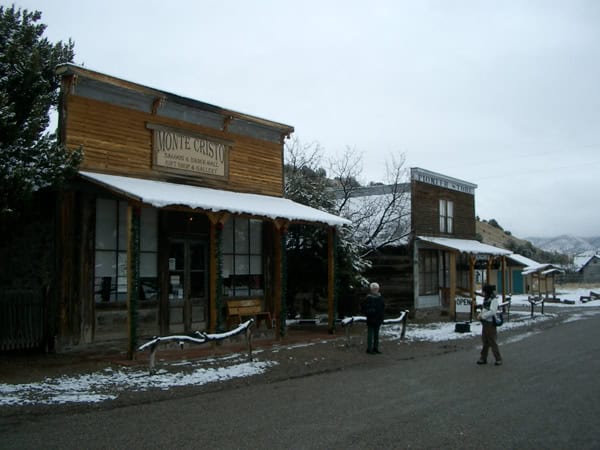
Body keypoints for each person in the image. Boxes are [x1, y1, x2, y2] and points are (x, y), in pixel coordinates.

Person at [477, 284, 503, 366]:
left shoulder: (493, 300)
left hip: (491, 323)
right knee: (485, 341)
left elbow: (492, 311)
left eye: (484, 291)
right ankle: (483, 358)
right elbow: (484, 309)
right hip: (485, 322)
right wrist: (480, 314)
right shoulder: (487, 299)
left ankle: (498, 358)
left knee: (492, 341)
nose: (483, 293)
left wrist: (483, 315)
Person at [361, 282, 385, 354]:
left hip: (378, 319)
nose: (375, 290)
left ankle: (376, 348)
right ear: (371, 289)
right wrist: (371, 311)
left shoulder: (380, 298)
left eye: (376, 289)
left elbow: (383, 307)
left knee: (376, 335)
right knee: (370, 334)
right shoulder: (368, 298)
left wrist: (381, 316)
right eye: (374, 289)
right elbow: (364, 308)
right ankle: (369, 349)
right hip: (371, 318)